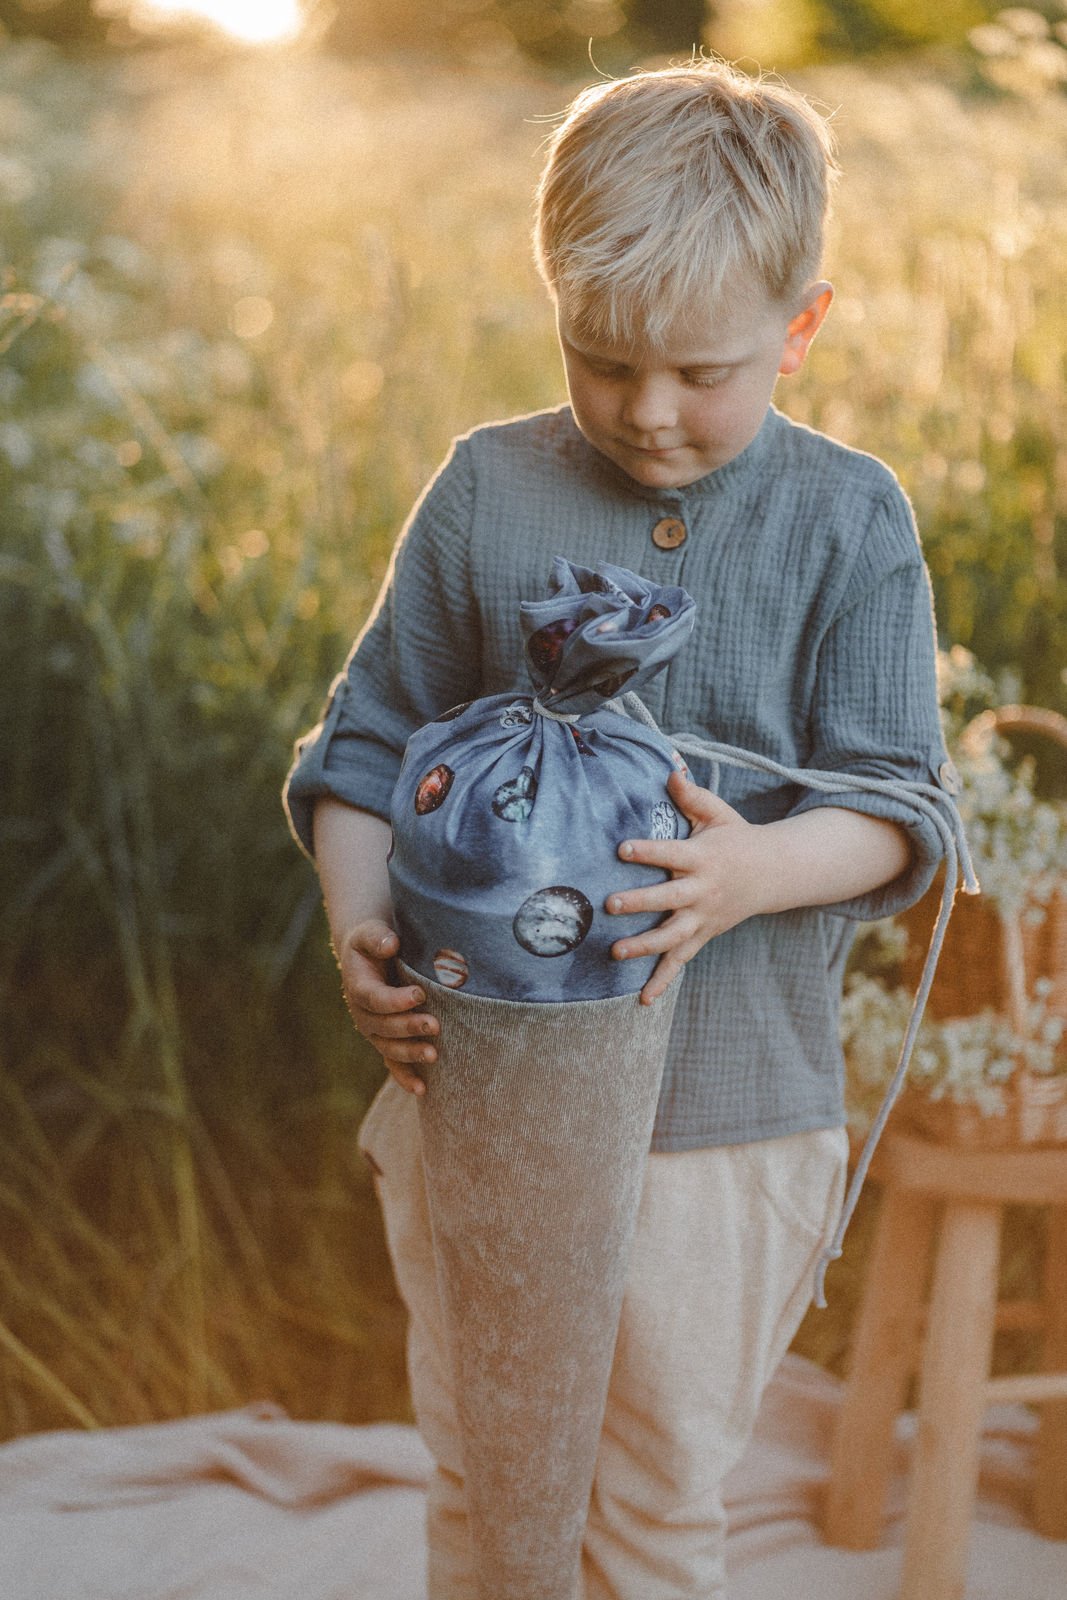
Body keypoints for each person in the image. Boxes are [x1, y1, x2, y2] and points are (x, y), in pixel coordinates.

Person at [284, 59, 958, 1599]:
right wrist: (357, 933)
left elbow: (901, 806)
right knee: (486, 1480)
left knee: (652, 1506)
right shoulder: (488, 488)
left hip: (723, 1127)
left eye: (703, 371)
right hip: (478, 1100)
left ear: (802, 326)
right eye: (602, 361)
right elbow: (364, 750)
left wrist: (750, 871)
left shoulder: (847, 521)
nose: (650, 414)